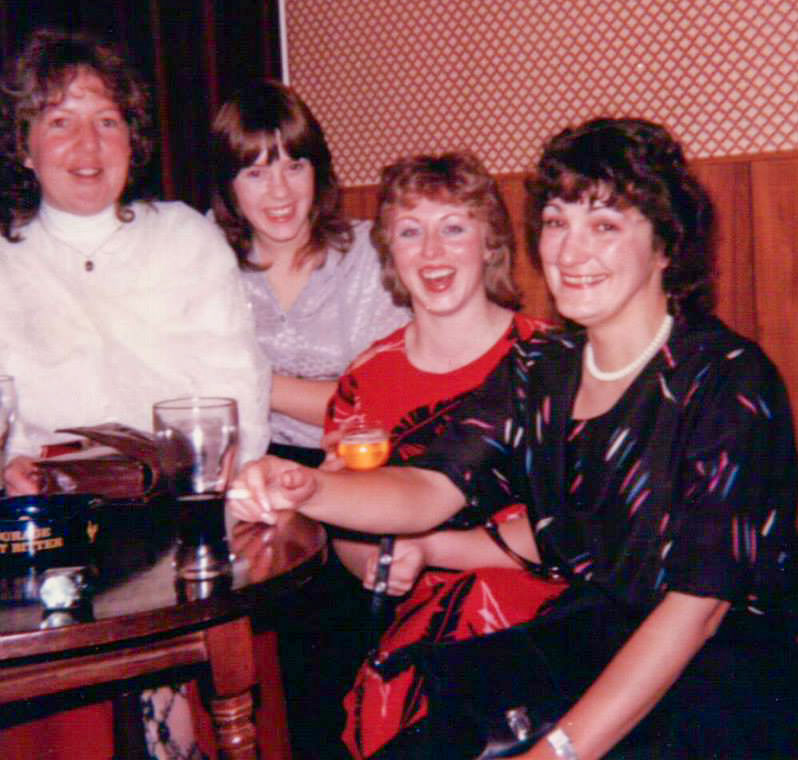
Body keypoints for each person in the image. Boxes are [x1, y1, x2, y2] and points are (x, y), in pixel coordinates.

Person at [230, 118, 798, 759]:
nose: (570, 252)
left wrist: (557, 751)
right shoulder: (542, 367)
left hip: (722, 672)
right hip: (589, 638)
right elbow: (428, 486)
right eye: (557, 223)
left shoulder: (728, 379)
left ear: (667, 245)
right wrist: (306, 486)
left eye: (605, 226)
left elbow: (698, 606)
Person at [0, 28, 269, 760]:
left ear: (131, 139)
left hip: (180, 523)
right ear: (25, 147)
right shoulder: (4, 263)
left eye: (107, 120)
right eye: (60, 120)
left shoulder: (184, 239)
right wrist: (10, 468)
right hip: (50, 540)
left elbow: (237, 392)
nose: (88, 142)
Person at [321, 152, 561, 758]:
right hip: (414, 621)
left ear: (490, 244)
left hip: (544, 608)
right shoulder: (366, 379)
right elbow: (342, 514)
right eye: (410, 231)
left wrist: (435, 550)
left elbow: (578, 521)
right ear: (389, 253)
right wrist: (370, 562)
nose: (432, 252)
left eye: (453, 227)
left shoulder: (549, 358)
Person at [211, 80, 409, 464]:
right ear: (228, 186)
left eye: (294, 167)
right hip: (245, 465)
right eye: (255, 174)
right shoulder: (205, 255)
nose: (280, 192)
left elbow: (378, 402)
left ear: (317, 172)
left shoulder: (369, 254)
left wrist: (246, 383)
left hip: (360, 462)